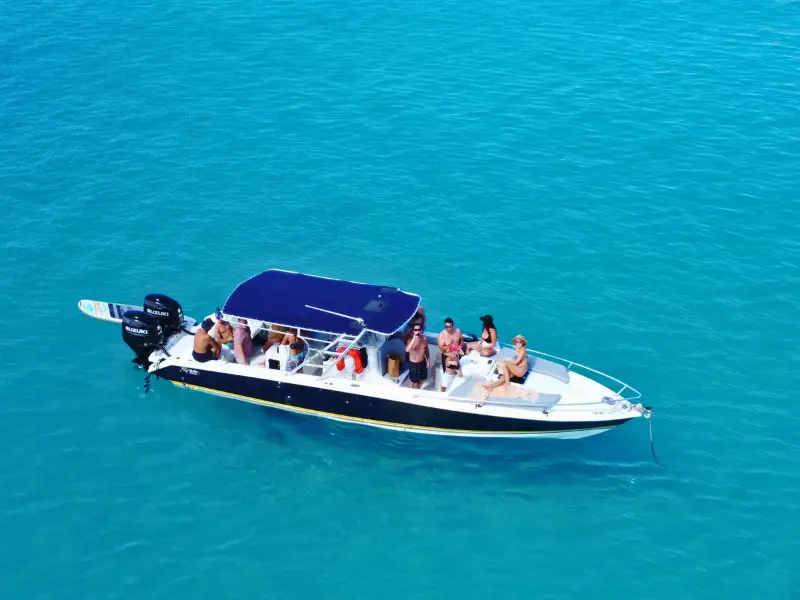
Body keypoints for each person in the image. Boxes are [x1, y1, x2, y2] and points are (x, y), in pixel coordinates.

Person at [405, 323, 430, 389]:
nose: (417, 331)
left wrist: (428, 361)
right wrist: (414, 339)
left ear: (421, 330)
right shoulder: (410, 340)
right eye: (415, 330)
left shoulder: (424, 338)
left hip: (422, 363)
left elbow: (427, 350)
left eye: (419, 330)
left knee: (421, 379)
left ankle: (418, 391)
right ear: (413, 331)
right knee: (412, 381)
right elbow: (407, 350)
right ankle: (410, 393)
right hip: (413, 364)